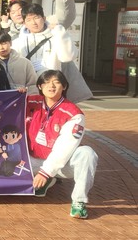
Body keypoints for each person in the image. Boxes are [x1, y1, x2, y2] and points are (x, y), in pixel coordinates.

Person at [26, 70, 97, 219]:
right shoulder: (30, 102)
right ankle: (46, 180)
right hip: (30, 160)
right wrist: (17, 94)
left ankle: (79, 202)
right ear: (39, 86)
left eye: (56, 82)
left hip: (60, 165)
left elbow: (64, 147)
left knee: (87, 153)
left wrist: (46, 172)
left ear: (64, 86)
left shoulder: (74, 114)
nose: (51, 86)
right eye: (46, 82)